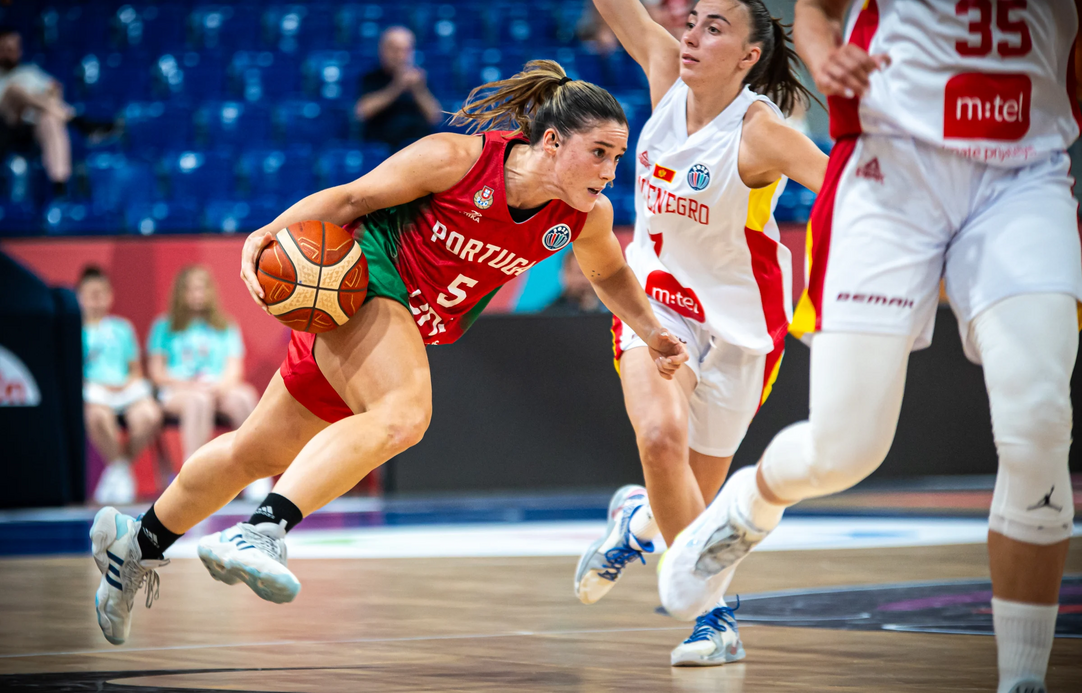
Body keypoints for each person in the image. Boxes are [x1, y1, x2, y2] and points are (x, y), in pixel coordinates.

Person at [89, 60, 689, 646]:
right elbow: (352, 200)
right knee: (405, 414)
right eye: (601, 153)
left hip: (402, 327)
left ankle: (134, 544)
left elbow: (609, 274)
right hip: (364, 284)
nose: (612, 171)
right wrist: (268, 233)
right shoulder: (457, 159)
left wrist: (653, 328)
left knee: (254, 450)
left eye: (618, 156)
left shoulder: (584, 216)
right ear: (553, 141)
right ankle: (260, 532)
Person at [659, 0, 1082, 693]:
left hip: (1024, 174)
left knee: (1040, 420)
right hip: (894, 170)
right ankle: (747, 503)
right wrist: (824, 58)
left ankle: (1023, 680)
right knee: (844, 450)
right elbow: (817, 7)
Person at [572, 0, 828, 667]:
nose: (692, 35)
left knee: (691, 508)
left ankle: (635, 521)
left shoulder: (761, 132)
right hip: (656, 306)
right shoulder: (663, 74)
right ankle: (715, 618)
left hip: (743, 331)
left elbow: (844, 190)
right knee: (660, 438)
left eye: (715, 28)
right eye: (693, 22)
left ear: (749, 56)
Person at [146, 266, 259, 465]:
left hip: (216, 389)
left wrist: (220, 387)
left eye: (201, 289)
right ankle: (193, 469)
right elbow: (157, 372)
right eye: (191, 289)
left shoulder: (226, 325)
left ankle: (254, 466)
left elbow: (234, 369)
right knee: (198, 401)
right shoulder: (164, 326)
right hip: (178, 390)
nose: (197, 295)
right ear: (180, 293)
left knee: (245, 397)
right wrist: (189, 385)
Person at [77, 266, 163, 505]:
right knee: (96, 417)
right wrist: (101, 385)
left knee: (150, 415)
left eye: (102, 293)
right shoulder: (74, 329)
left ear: (110, 295)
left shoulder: (122, 328)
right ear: (79, 296)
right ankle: (121, 469)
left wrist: (126, 384)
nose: (97, 299)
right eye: (91, 293)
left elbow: (135, 370)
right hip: (94, 392)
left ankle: (118, 468)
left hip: (125, 390)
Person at [0, 28, 116, 197]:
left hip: (34, 125)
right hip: (10, 123)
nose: (12, 53)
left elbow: (55, 88)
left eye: (15, 48)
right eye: (7, 49)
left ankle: (59, 185)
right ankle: (81, 123)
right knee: (15, 91)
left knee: (51, 119)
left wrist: (46, 98)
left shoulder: (29, 72)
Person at [355, 26, 443, 152]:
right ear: (383, 50)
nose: (400, 56)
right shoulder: (371, 77)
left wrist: (419, 90)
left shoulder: (421, 80)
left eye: (406, 50)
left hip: (418, 150)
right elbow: (362, 111)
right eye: (395, 50)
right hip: (383, 150)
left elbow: (435, 117)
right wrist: (396, 87)